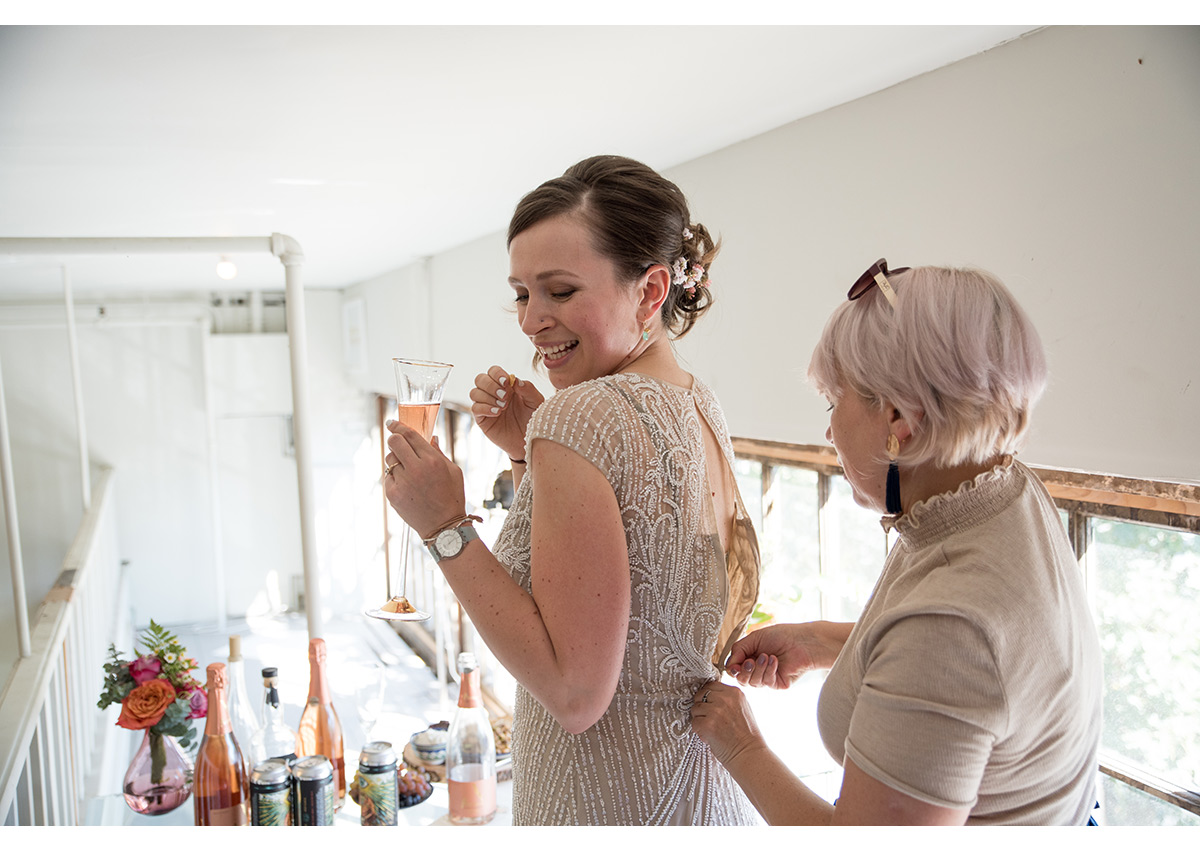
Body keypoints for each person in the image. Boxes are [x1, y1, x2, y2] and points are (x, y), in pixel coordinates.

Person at [381, 155, 761, 825]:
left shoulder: (581, 415)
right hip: (699, 794)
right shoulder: (701, 403)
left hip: (603, 799)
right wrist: (530, 458)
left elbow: (575, 692)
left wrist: (442, 523)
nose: (530, 320)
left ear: (650, 291)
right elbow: (630, 603)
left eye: (558, 291)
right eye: (523, 293)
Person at [690, 260, 1103, 825]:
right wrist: (824, 641)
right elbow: (977, 672)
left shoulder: (952, 627)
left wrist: (743, 746)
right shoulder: (1001, 486)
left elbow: (952, 646)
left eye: (834, 403)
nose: (829, 431)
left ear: (898, 416)